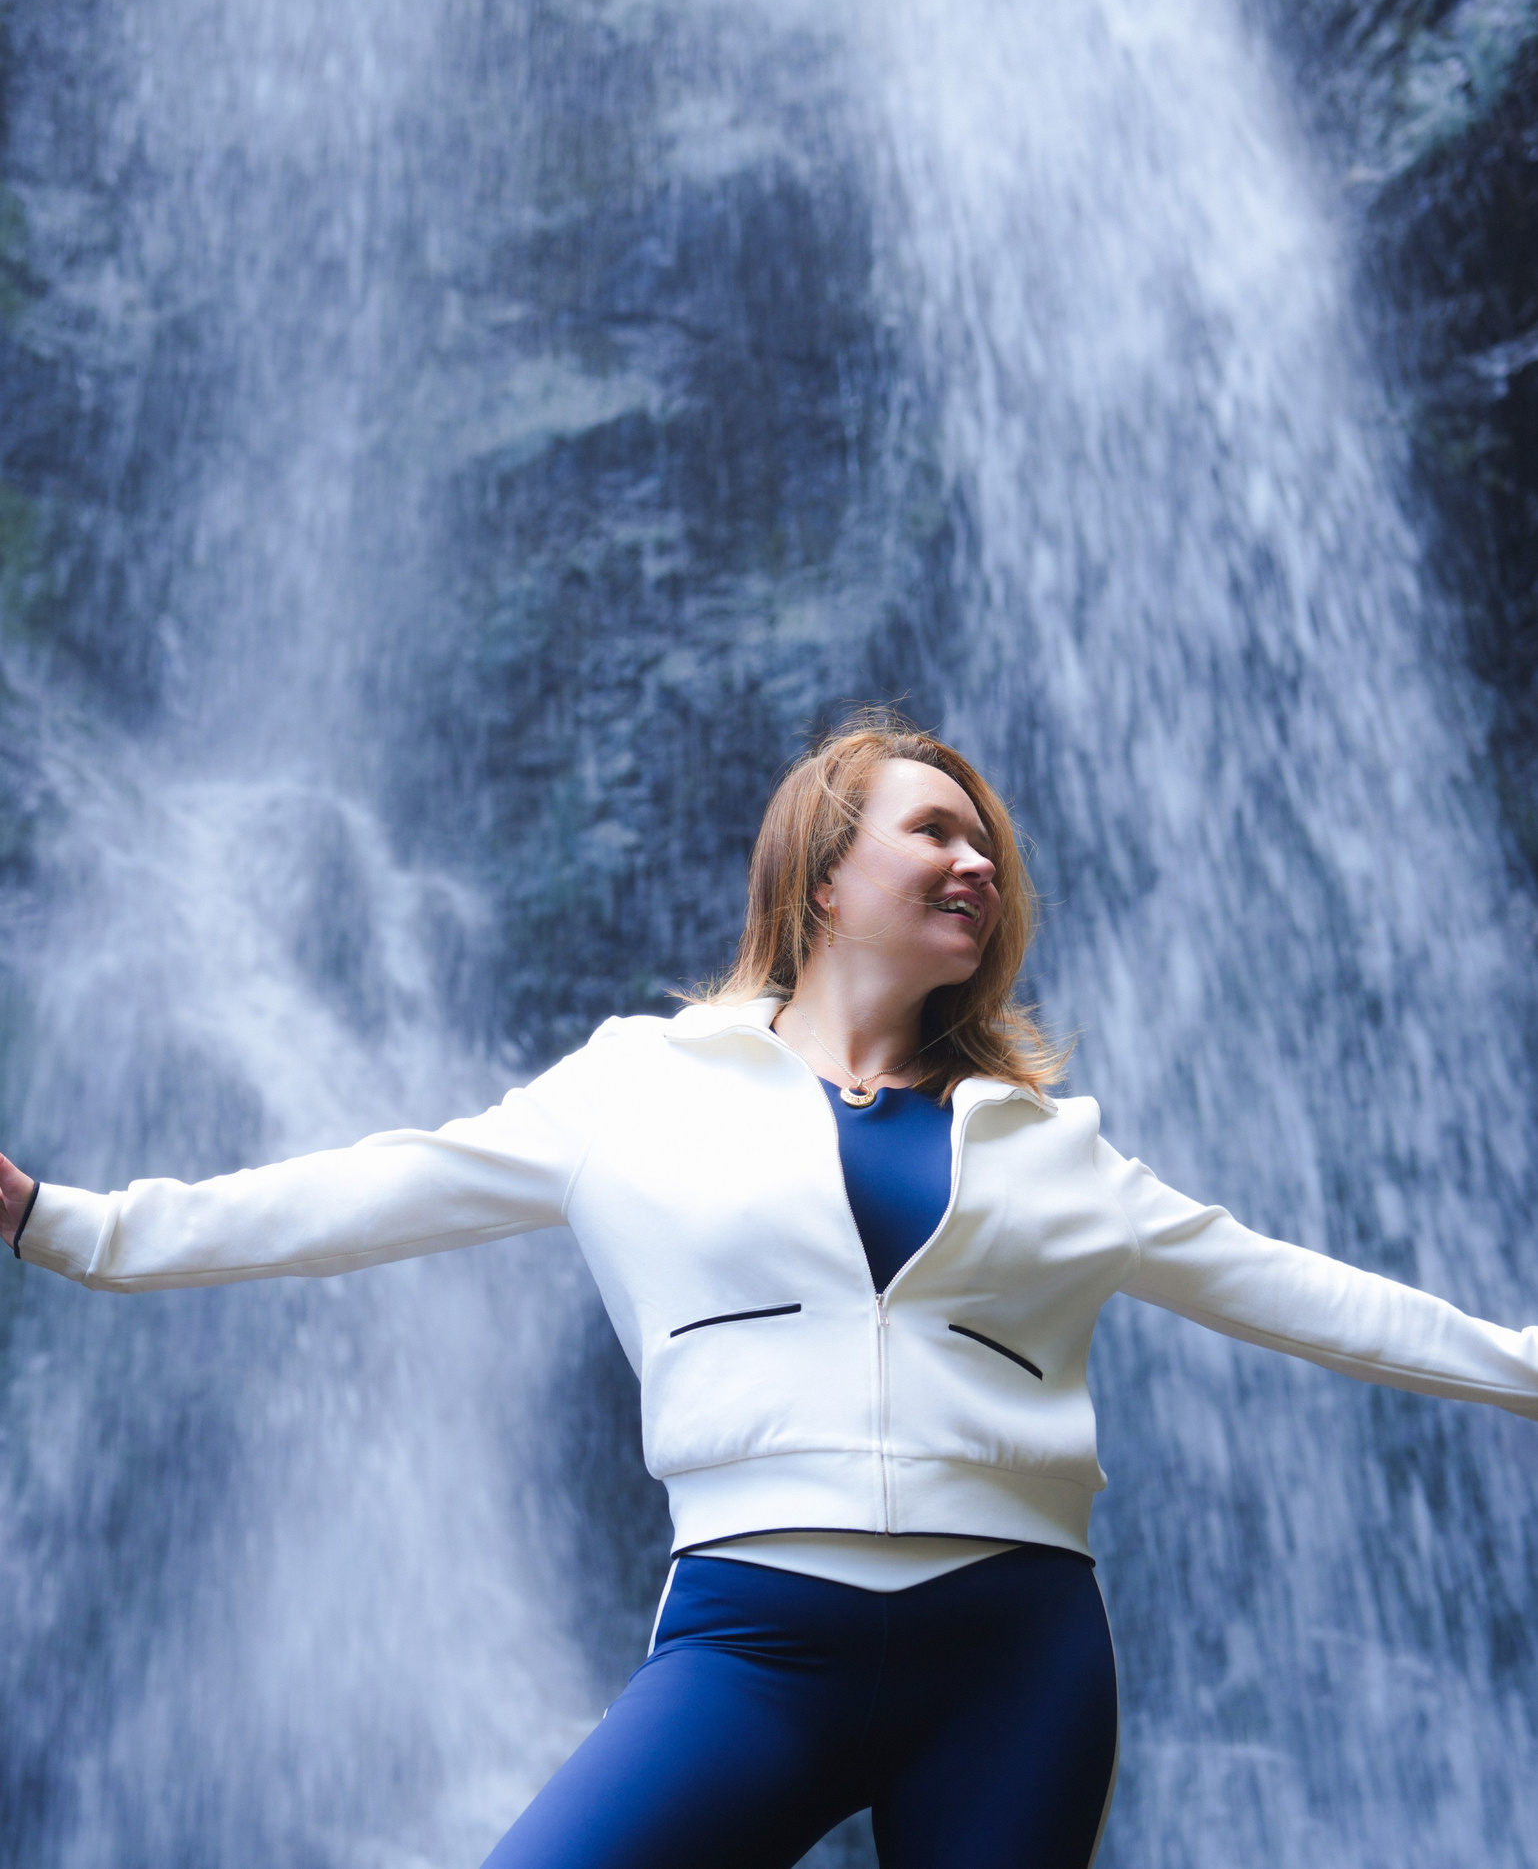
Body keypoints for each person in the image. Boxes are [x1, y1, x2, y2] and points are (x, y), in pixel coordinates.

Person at [3, 713, 1536, 1869]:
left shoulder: (1053, 1148)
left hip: (1015, 1654)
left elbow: (1300, 1291)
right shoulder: (633, 1084)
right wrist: (70, 1223)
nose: (976, 861)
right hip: (751, 1637)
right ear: (819, 870)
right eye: (934, 829)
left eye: (987, 845)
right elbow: (364, 1188)